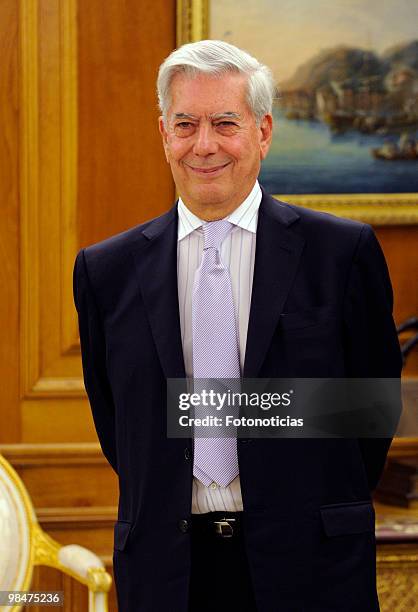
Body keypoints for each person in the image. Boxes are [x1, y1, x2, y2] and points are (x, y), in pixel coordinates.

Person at [73, 40, 402, 612]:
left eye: (226, 123)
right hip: (167, 574)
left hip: (312, 569)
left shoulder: (341, 253)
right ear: (164, 135)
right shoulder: (106, 272)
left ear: (264, 132)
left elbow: (371, 413)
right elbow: (118, 426)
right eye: (186, 124)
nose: (205, 145)